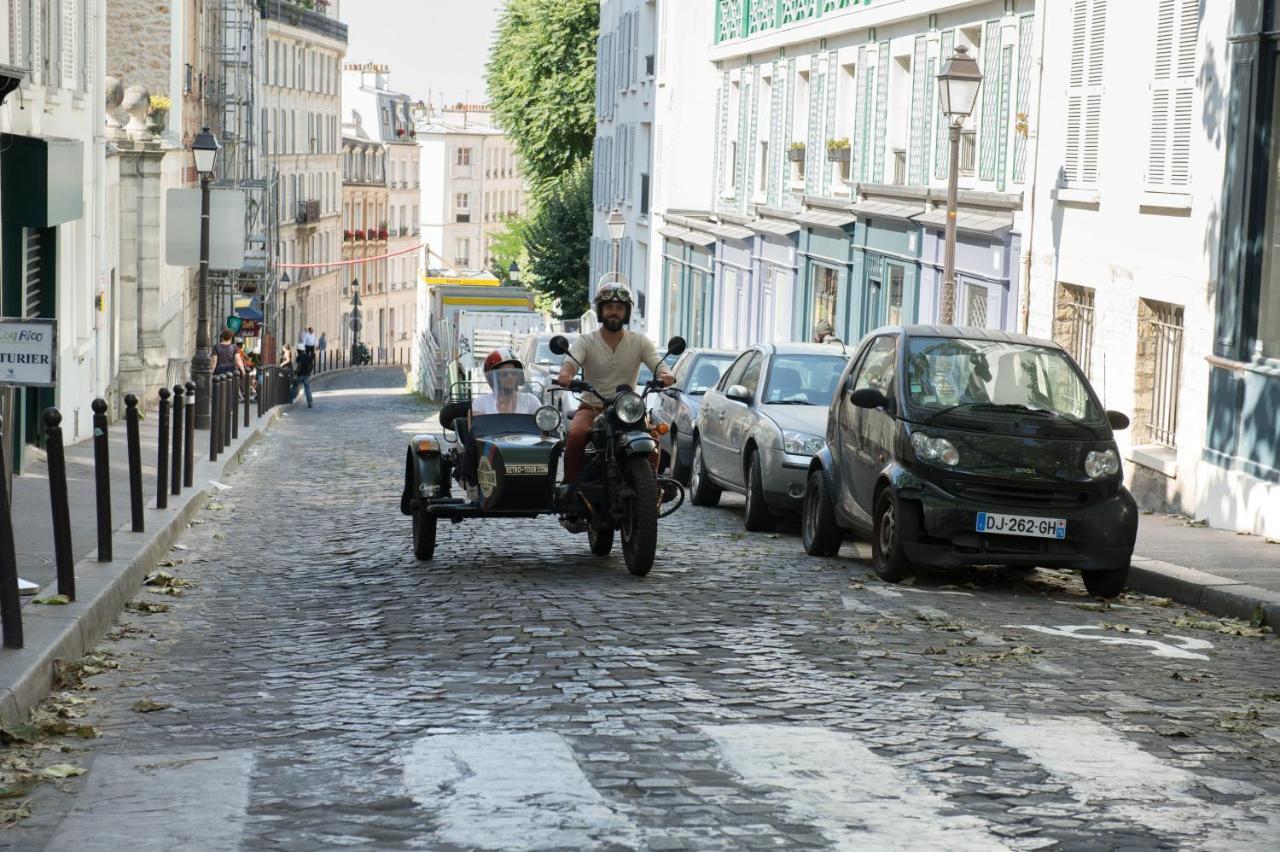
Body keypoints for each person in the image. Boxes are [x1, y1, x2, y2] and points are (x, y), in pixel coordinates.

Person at [556, 282, 675, 490]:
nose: (614, 312)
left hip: (628, 410)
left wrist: (665, 375)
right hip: (592, 407)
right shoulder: (587, 341)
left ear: (626, 313)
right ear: (601, 311)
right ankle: (571, 490)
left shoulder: (640, 342)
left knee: (654, 438)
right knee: (576, 435)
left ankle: (651, 491)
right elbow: (571, 362)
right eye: (609, 307)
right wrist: (566, 374)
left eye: (620, 308)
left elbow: (658, 364)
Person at [472, 348, 541, 416]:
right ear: (493, 378)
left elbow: (543, 423)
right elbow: (477, 426)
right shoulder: (481, 403)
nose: (510, 377)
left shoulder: (531, 401)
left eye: (514, 373)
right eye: (504, 374)